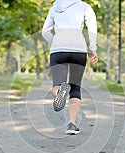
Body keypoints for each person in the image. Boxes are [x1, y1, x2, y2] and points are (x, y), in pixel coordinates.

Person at [42, 0, 98, 135]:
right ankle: (71, 125)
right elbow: (92, 28)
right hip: (78, 50)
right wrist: (93, 48)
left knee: (57, 85)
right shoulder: (84, 6)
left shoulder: (55, 6)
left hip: (58, 50)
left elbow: (45, 31)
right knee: (75, 87)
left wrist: (55, 42)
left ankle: (60, 91)